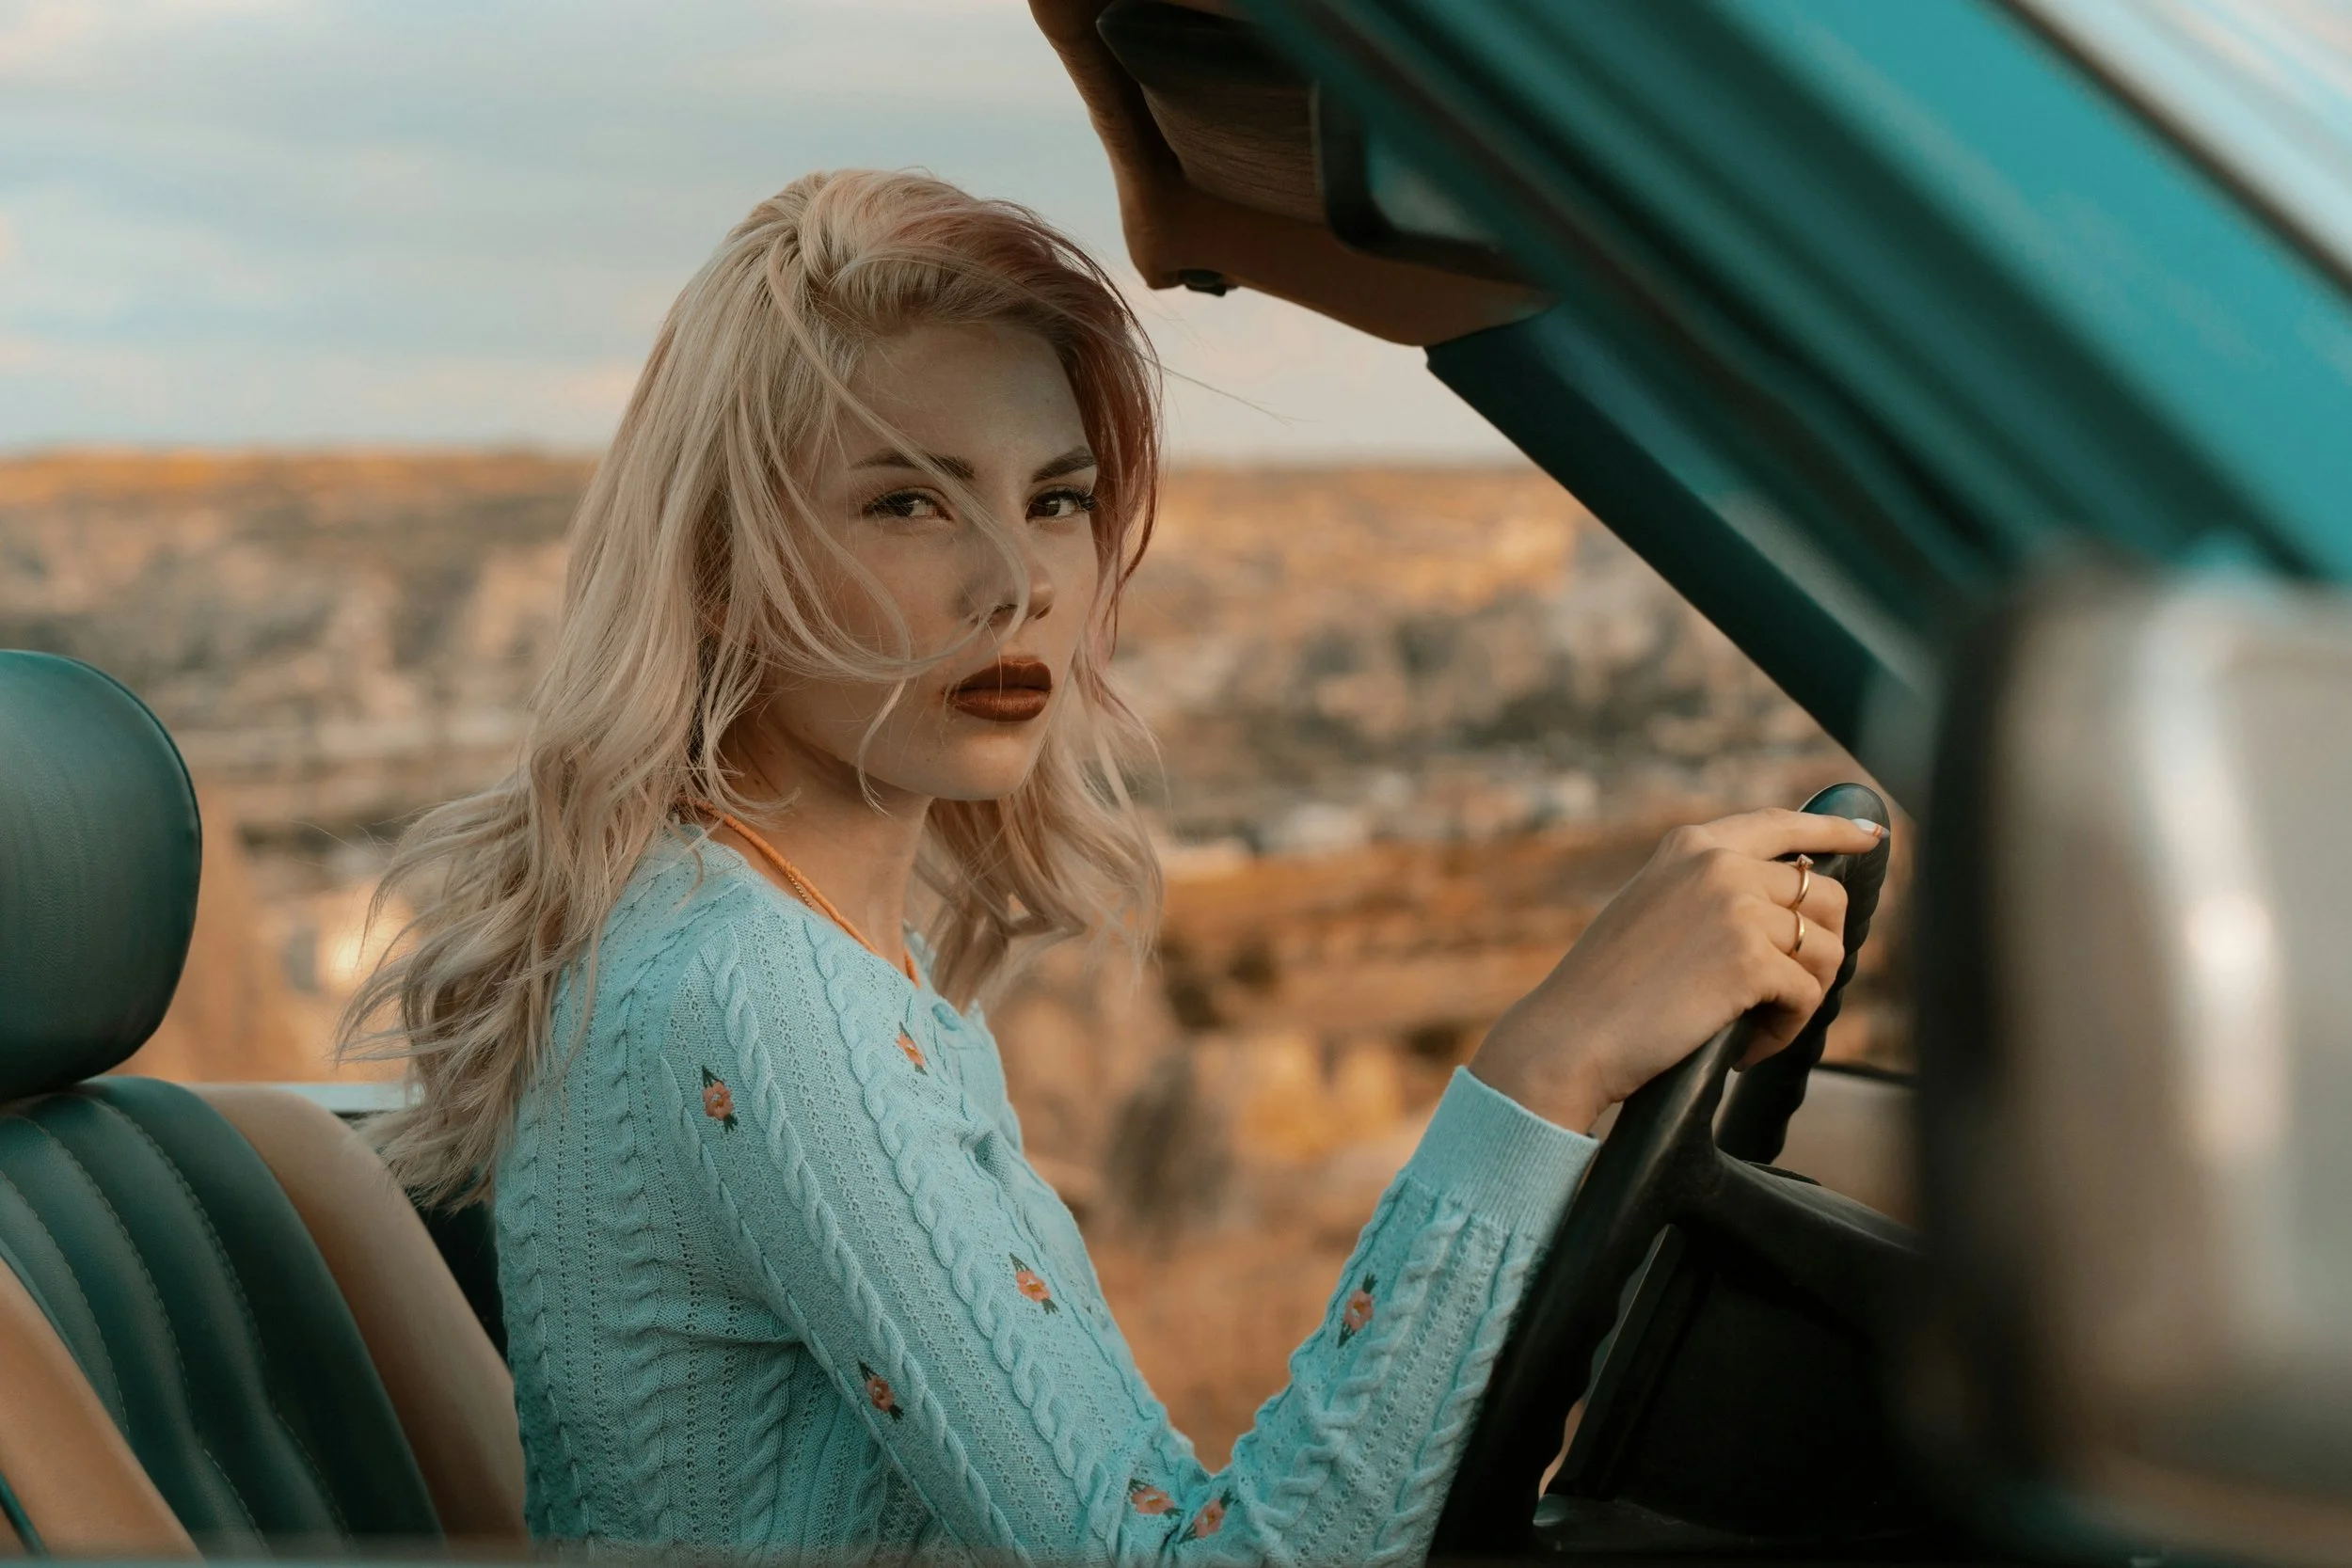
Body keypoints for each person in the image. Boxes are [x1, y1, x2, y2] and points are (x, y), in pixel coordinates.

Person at [344, 168, 1882, 1561]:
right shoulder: (762, 1000)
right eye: (907, 500)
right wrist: (1547, 1065)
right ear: (719, 564)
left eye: (1058, 499)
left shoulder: (733, 931)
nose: (1017, 581)